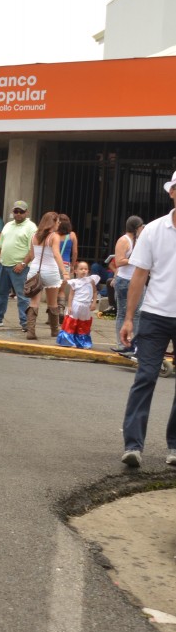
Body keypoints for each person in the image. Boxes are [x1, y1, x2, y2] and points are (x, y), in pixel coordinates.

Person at [120, 173, 176, 469]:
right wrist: (129, 318)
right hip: (155, 314)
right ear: (172, 193)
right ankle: (133, 445)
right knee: (145, 377)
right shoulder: (154, 230)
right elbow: (139, 275)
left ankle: (175, 446)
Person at [0, 202, 37, 331]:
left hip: (20, 267)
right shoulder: (8, 225)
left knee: (22, 296)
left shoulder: (31, 227)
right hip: (3, 265)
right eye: (15, 211)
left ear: (26, 212)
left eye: (21, 212)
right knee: (0, 293)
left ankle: (25, 323)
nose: (18, 214)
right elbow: (0, 243)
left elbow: (32, 250)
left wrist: (23, 264)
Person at [21, 211, 66, 339]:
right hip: (51, 270)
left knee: (34, 302)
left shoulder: (34, 235)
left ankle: (31, 332)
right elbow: (56, 254)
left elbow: (32, 255)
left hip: (34, 270)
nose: (59, 224)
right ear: (53, 223)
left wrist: (23, 264)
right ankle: (54, 331)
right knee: (52, 302)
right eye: (57, 222)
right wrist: (65, 271)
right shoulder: (54, 236)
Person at [112, 215, 144, 355]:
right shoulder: (124, 240)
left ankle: (135, 344)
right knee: (123, 313)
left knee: (137, 313)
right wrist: (134, 259)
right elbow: (118, 261)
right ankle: (121, 343)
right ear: (136, 227)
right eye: (141, 226)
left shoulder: (140, 240)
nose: (143, 229)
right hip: (124, 281)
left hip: (137, 281)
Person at [56, 261, 99, 348]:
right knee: (71, 322)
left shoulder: (91, 281)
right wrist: (69, 306)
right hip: (76, 304)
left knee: (83, 323)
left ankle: (82, 342)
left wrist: (94, 302)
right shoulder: (74, 282)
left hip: (86, 305)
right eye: (81, 269)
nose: (84, 271)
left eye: (86, 269)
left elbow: (94, 292)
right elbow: (71, 295)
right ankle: (68, 341)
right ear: (76, 271)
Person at [56, 213, 78, 313]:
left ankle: (52, 316)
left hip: (54, 264)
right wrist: (73, 266)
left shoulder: (54, 235)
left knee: (52, 291)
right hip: (65, 265)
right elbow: (75, 252)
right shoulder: (72, 235)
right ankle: (61, 310)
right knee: (61, 291)